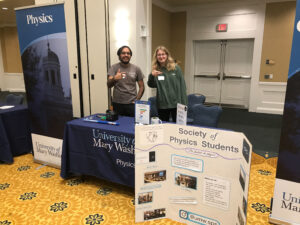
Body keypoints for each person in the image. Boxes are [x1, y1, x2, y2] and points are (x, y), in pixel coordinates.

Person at [147, 46, 187, 122]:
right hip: (162, 104)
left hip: (177, 104)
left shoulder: (176, 68)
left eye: (163, 54)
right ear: (156, 57)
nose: (161, 56)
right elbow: (151, 84)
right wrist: (151, 76)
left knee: (178, 127)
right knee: (163, 127)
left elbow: (182, 86)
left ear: (167, 55)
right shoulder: (156, 70)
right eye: (159, 55)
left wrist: (184, 104)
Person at [107, 46, 145, 117]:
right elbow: (109, 85)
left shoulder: (136, 68)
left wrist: (137, 100)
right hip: (117, 104)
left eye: (128, 53)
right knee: (118, 126)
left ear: (130, 55)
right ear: (119, 55)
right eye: (123, 53)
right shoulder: (113, 67)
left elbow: (142, 86)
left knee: (131, 125)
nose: (126, 55)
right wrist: (115, 78)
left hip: (132, 104)